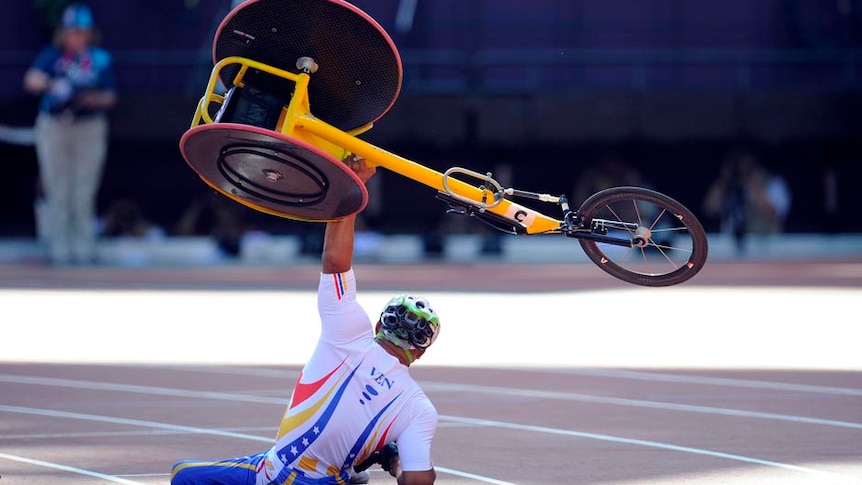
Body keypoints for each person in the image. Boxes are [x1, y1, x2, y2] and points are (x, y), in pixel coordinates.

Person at [170, 155, 440, 485]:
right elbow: (417, 482)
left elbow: (335, 262)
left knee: (182, 474)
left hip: (272, 473)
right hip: (324, 479)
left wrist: (352, 187)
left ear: (379, 326)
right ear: (421, 352)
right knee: (357, 475)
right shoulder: (418, 408)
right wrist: (395, 460)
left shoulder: (348, 331)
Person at [23, 2, 117, 265]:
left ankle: (84, 247)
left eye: (81, 30)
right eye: (72, 30)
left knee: (84, 189)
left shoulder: (99, 58)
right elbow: (30, 80)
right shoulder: (52, 56)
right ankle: (59, 248)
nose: (77, 35)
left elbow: (110, 97)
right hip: (54, 126)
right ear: (63, 32)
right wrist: (54, 85)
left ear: (89, 32)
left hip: (88, 126)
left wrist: (89, 98)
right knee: (57, 187)